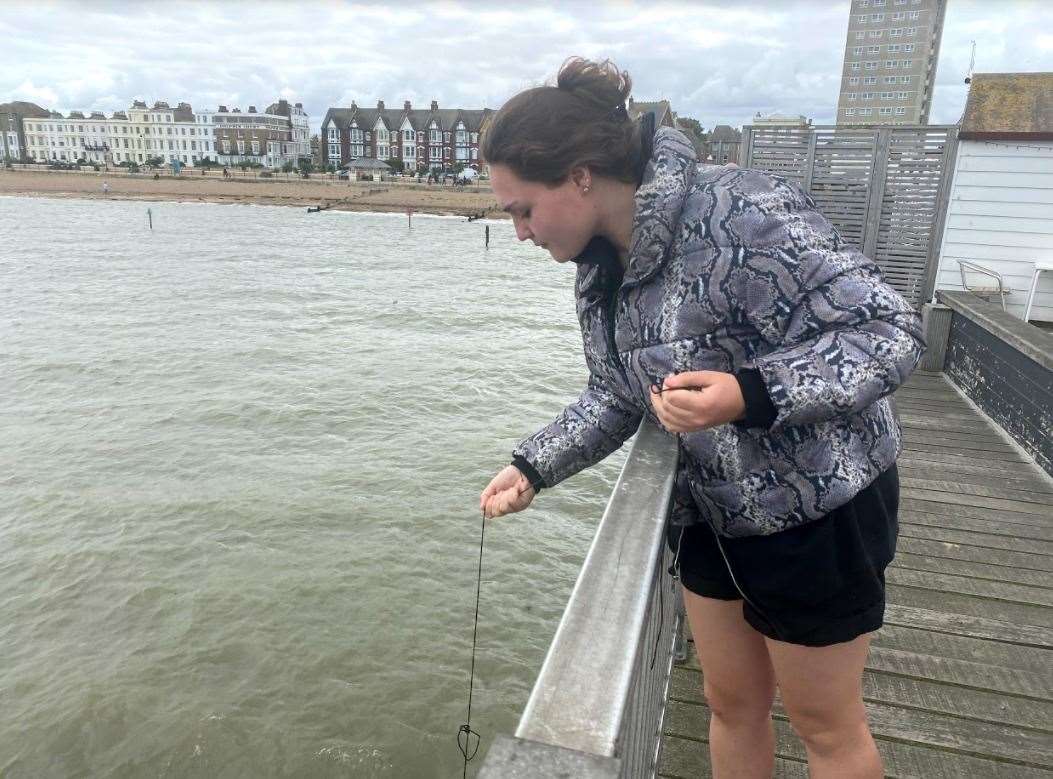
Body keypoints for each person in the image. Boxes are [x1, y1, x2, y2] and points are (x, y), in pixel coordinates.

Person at [477, 57, 924, 779]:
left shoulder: (742, 208)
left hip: (820, 512)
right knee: (728, 703)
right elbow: (616, 393)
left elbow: (888, 328)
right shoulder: (599, 268)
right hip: (712, 517)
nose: (522, 233)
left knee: (825, 727)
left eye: (522, 209)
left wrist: (748, 391)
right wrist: (532, 465)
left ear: (581, 175)